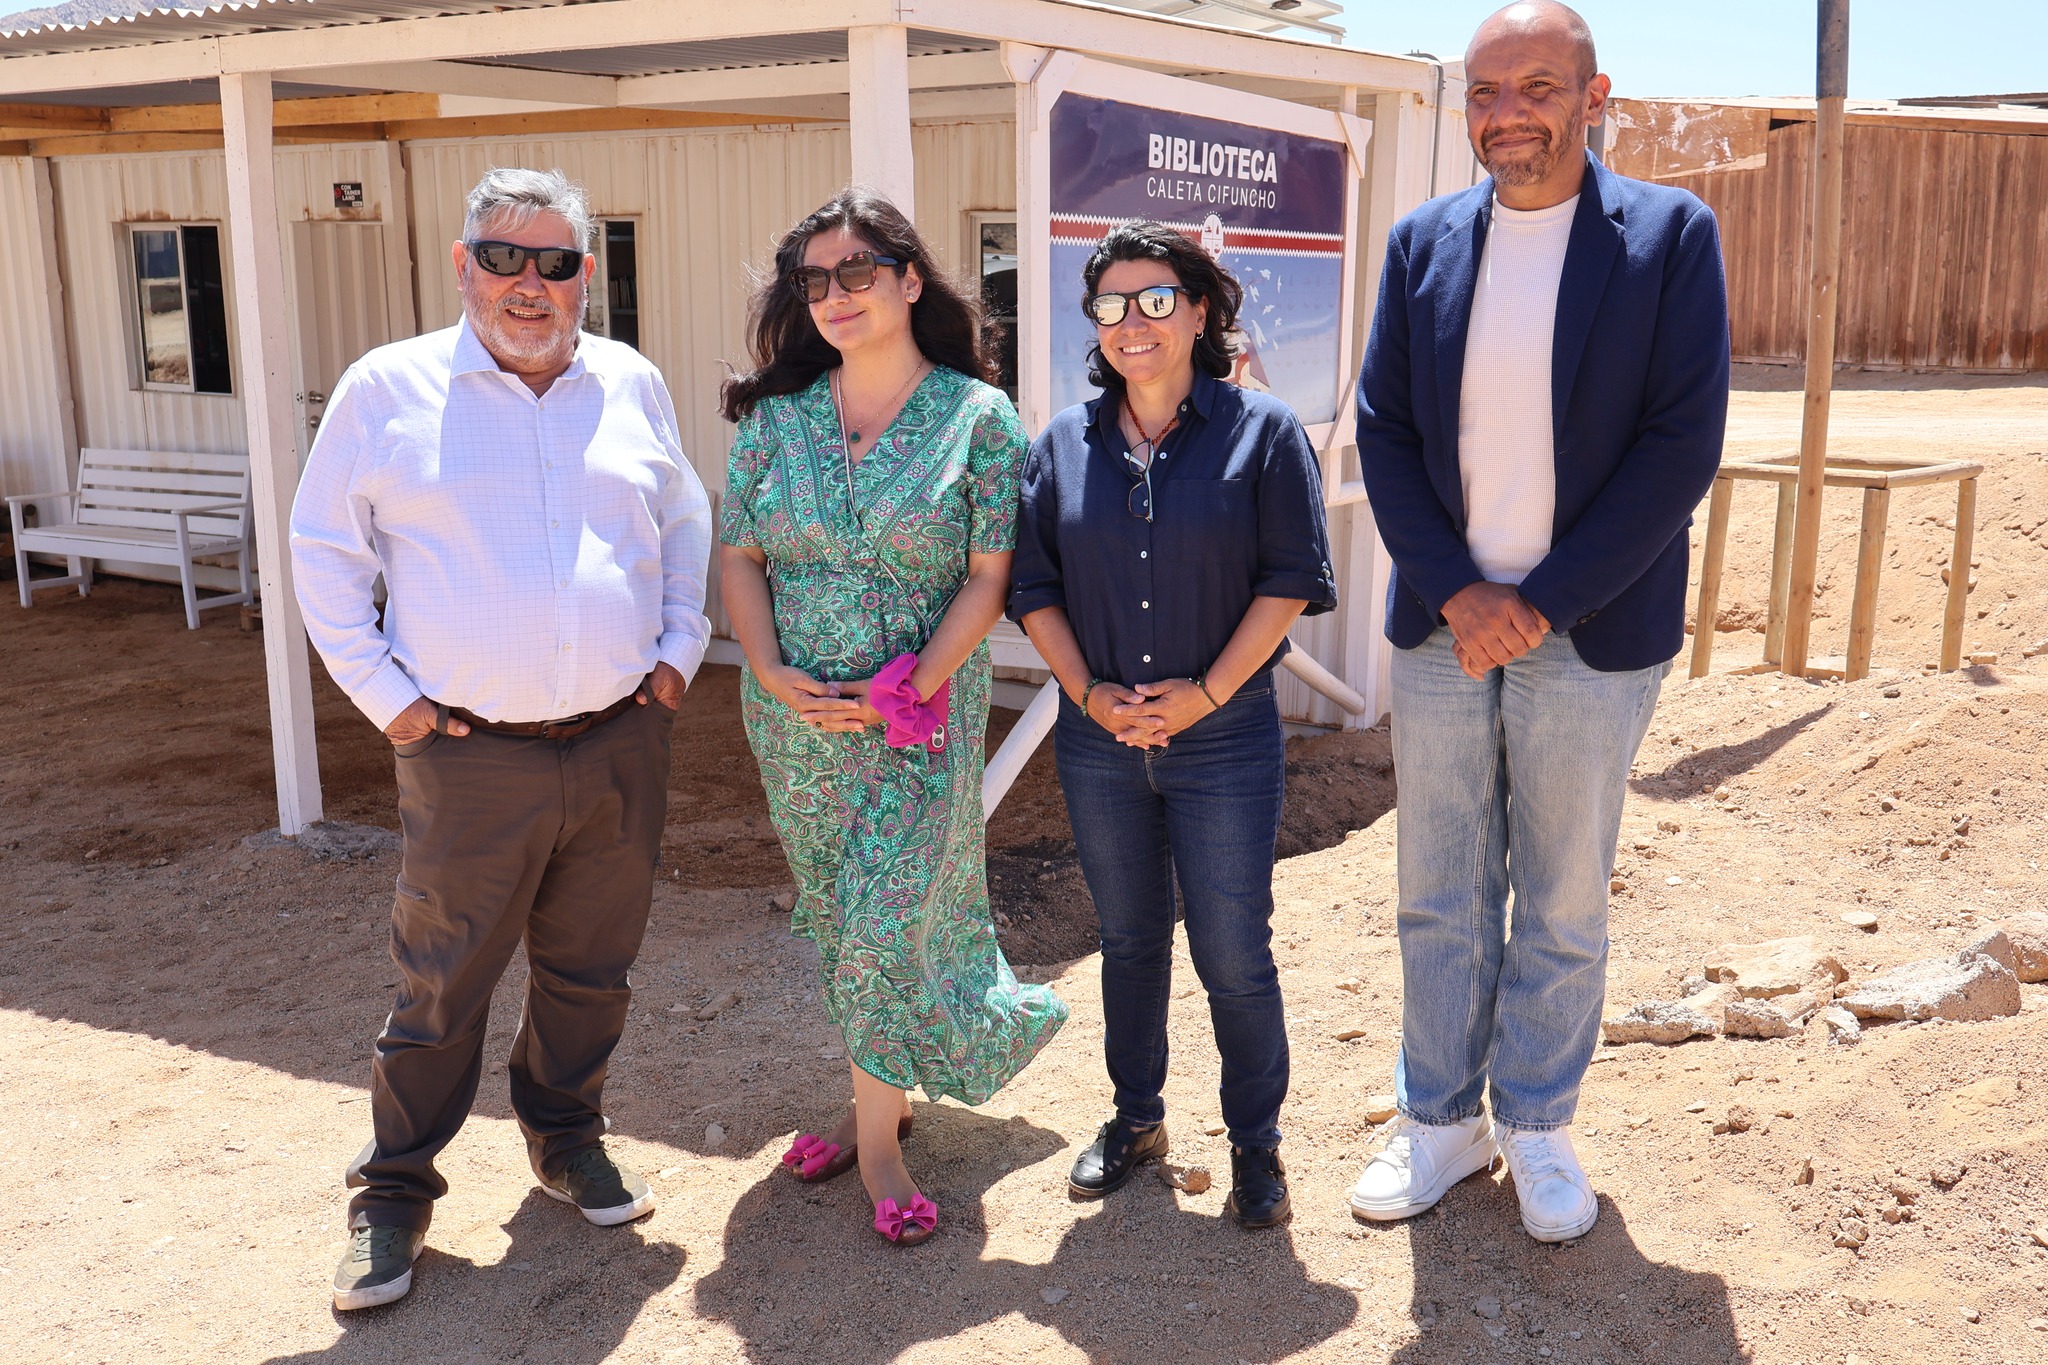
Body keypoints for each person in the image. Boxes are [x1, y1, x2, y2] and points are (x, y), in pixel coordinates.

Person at [291, 167, 712, 1308]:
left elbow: (681, 514)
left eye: (556, 261)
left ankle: (565, 1136)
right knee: (442, 984)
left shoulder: (630, 381)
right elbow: (323, 553)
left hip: (621, 737)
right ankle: (391, 1195)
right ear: (463, 264)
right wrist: (393, 703)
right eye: (503, 257)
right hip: (467, 753)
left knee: (591, 969)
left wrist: (679, 645)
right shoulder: (389, 389)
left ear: (587, 273)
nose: (529, 284)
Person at [1349, 0, 1729, 1242]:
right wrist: (1462, 593)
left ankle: (1540, 1122)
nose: (1504, 113)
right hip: (1439, 623)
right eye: (1482, 92)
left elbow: (1680, 448)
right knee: (1437, 887)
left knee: (1560, 895)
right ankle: (1440, 1123)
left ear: (1592, 93)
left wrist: (1538, 603)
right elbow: (1388, 432)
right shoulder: (1421, 243)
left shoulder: (1668, 236)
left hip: (1592, 626)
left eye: (1532, 86)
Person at [718, 188, 1066, 1247]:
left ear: (910, 280)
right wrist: (769, 669)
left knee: (885, 923)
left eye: (856, 272)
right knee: (838, 914)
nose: (833, 295)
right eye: (812, 280)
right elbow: (738, 553)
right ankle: (876, 1095)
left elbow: (987, 576)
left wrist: (910, 681)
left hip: (918, 723)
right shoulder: (774, 420)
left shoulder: (979, 417)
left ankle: (877, 1146)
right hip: (795, 725)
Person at [1009, 221, 1336, 1230]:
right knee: (1128, 939)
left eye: (1156, 300)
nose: (1132, 323)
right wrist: (1088, 694)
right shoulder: (1061, 443)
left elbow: (1286, 583)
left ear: (1199, 312)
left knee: (1233, 949)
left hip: (1224, 739)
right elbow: (1032, 586)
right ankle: (1135, 1119)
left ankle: (1255, 1147)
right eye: (1110, 305)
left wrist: (1200, 694)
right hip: (1099, 741)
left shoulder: (1261, 432)